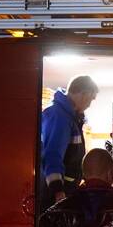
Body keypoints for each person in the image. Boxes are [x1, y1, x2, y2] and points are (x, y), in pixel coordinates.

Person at [41, 75, 99, 209]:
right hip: (54, 195)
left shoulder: (69, 117)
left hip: (63, 191)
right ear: (84, 94)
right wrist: (57, 190)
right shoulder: (59, 117)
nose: (89, 105)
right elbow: (52, 155)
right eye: (91, 99)